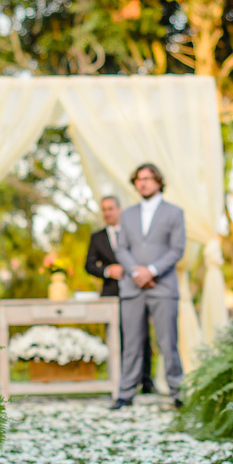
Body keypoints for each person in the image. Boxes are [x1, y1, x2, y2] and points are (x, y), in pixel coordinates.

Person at [111, 164, 186, 409]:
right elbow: (121, 248)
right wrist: (136, 272)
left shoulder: (174, 212)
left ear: (158, 181)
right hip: (132, 287)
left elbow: (177, 249)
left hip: (162, 286)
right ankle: (125, 394)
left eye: (147, 178)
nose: (142, 183)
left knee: (168, 342)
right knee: (131, 343)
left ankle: (178, 393)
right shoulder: (128, 214)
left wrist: (151, 271)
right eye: (138, 179)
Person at [85, 196, 154, 394]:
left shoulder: (134, 233)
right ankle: (120, 380)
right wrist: (108, 271)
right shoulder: (97, 237)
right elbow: (89, 265)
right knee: (117, 338)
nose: (107, 213)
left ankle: (146, 382)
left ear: (119, 209)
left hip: (135, 289)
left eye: (111, 209)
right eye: (104, 209)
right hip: (111, 293)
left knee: (141, 335)